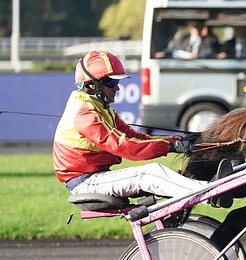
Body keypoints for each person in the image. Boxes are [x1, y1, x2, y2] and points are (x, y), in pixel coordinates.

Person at [53, 50, 235, 207]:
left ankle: (205, 190)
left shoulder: (100, 107)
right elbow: (124, 147)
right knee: (150, 173)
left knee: (155, 174)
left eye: (117, 82)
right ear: (92, 85)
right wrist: (169, 147)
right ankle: (211, 194)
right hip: (86, 183)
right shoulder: (85, 113)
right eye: (111, 83)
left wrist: (176, 141)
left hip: (97, 177)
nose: (116, 88)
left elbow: (134, 137)